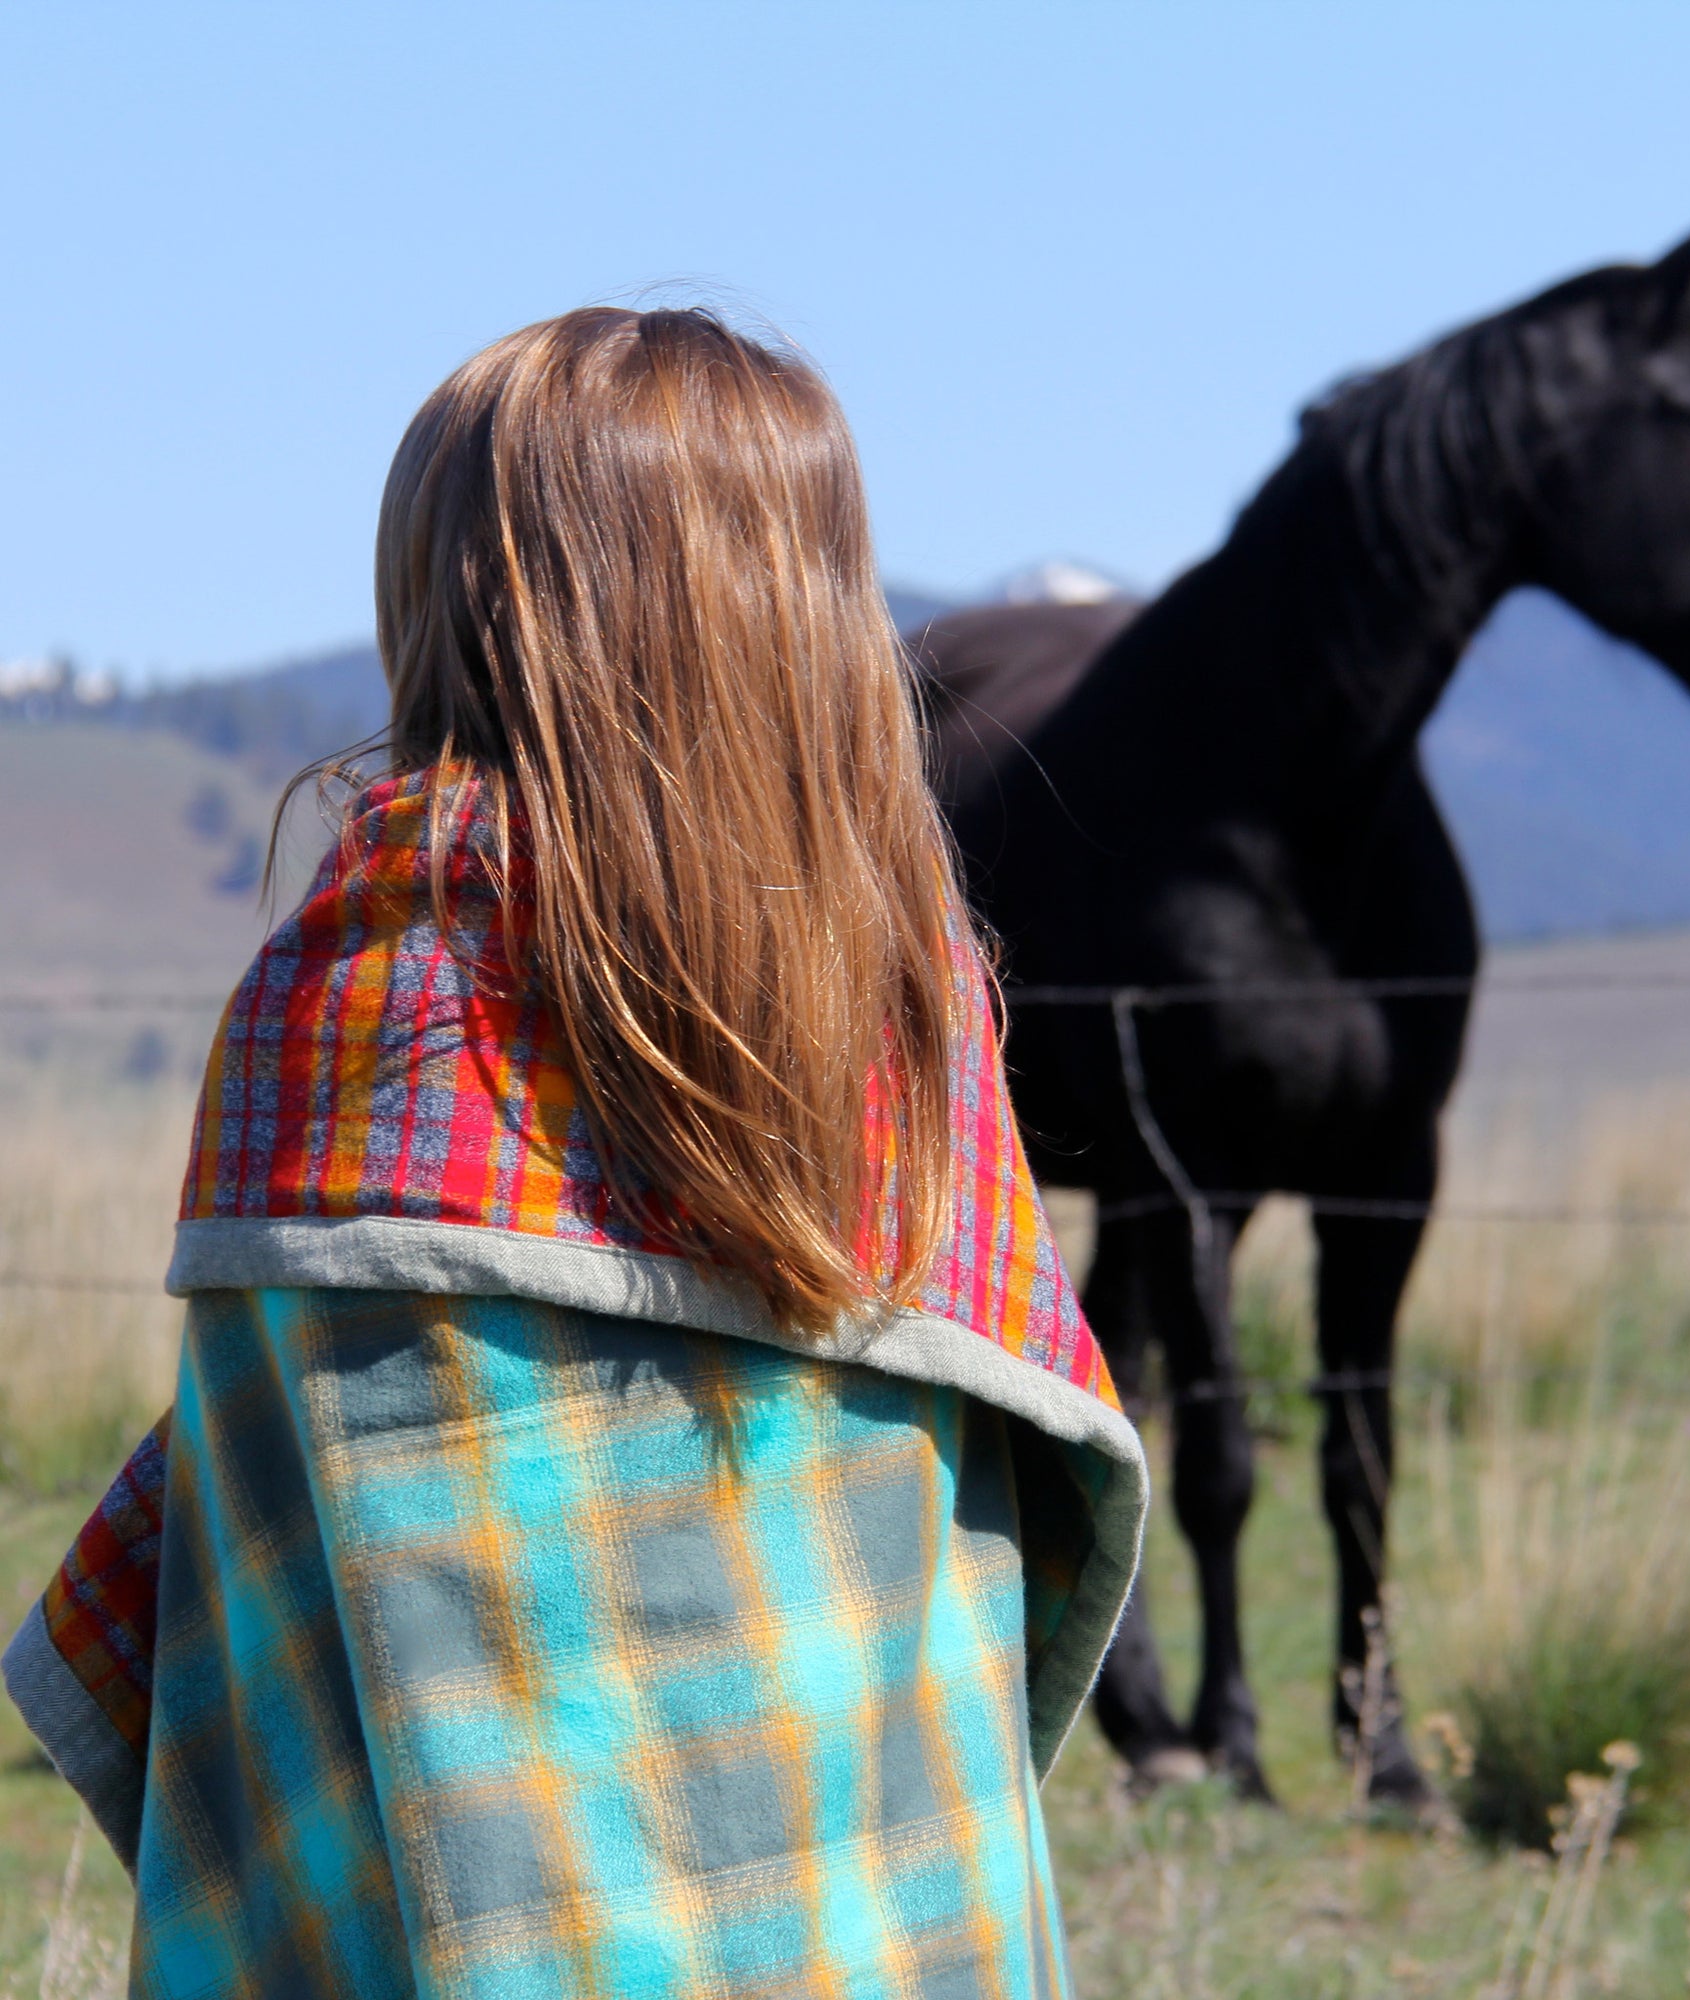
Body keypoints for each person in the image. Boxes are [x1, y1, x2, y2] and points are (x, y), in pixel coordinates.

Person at [4, 308, 1145, 1999]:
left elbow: (278, 1526)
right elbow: (1010, 1536)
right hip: (884, 1936)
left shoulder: (360, 985)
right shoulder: (909, 1006)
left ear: (455, 593)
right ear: (811, 613)